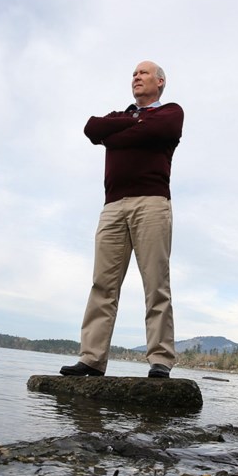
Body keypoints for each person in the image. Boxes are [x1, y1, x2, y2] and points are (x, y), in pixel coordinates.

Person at [60, 60, 183, 379]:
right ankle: (92, 358)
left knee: (155, 282)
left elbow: (159, 130)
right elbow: (92, 128)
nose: (136, 77)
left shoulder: (171, 112)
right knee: (103, 284)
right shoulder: (120, 116)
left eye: (143, 73)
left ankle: (160, 359)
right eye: (133, 74)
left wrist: (118, 135)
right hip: (112, 206)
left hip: (152, 203)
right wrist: (130, 127)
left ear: (160, 81)